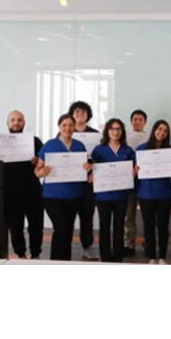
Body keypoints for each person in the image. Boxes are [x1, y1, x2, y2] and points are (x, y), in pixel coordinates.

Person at [0, 110, 44, 259]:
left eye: (19, 120)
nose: (16, 123)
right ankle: (21, 255)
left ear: (24, 123)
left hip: (32, 190)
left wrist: (37, 161)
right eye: (13, 120)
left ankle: (36, 254)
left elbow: (44, 163)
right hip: (10, 191)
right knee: (15, 226)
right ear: (8, 123)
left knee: (36, 225)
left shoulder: (35, 140)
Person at [34, 114, 91, 261]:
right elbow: (37, 171)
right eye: (64, 125)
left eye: (71, 125)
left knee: (68, 230)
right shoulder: (49, 145)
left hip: (74, 195)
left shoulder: (79, 146)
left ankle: (66, 261)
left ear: (74, 127)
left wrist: (87, 167)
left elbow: (85, 169)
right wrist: (42, 172)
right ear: (59, 127)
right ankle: (56, 261)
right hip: (52, 196)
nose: (68, 128)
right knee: (61, 228)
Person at [90, 118, 135, 263]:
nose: (115, 132)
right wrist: (90, 175)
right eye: (112, 129)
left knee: (119, 226)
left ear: (122, 132)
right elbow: (91, 168)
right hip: (103, 196)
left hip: (121, 195)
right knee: (104, 226)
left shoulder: (128, 150)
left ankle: (117, 257)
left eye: (118, 129)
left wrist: (134, 172)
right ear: (107, 131)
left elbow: (134, 168)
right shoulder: (98, 150)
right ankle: (106, 257)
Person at [135, 120, 171, 264]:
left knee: (163, 226)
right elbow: (135, 172)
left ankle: (162, 256)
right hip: (146, 194)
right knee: (149, 226)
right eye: (159, 129)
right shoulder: (141, 149)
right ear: (154, 130)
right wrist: (136, 171)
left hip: (165, 194)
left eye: (165, 131)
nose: (162, 132)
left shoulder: (170, 151)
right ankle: (152, 256)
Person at [68, 100, 100, 260]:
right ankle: (64, 246)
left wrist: (94, 172)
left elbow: (99, 156)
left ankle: (87, 246)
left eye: (83, 112)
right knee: (67, 216)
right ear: (72, 115)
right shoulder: (66, 131)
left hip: (88, 181)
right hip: (70, 182)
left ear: (88, 115)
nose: (80, 115)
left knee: (87, 215)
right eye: (77, 112)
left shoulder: (96, 134)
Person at [124, 109, 149, 256]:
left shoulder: (150, 137)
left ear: (145, 122)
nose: (137, 122)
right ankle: (129, 242)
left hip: (146, 181)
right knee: (129, 214)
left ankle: (148, 242)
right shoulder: (124, 136)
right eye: (135, 119)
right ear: (131, 121)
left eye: (140, 119)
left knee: (147, 214)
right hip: (129, 180)